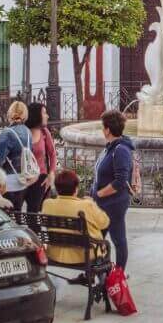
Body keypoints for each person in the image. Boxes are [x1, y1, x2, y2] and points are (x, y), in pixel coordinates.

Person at [92, 110, 134, 271]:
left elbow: (120, 181)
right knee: (96, 238)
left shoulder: (120, 150)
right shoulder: (111, 147)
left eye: (103, 127)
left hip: (114, 203)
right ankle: (96, 269)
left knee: (118, 239)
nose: (102, 130)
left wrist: (99, 194)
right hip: (102, 203)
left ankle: (119, 273)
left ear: (108, 129)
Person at [42, 169, 109, 265]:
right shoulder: (86, 205)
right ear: (76, 189)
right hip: (84, 255)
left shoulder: (47, 204)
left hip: (54, 254)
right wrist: (93, 203)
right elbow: (104, 223)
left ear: (57, 188)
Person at [0, 100, 32, 212]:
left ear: (10, 113)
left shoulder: (7, 133)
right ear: (24, 114)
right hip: (23, 180)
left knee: (5, 214)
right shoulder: (28, 132)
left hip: (8, 181)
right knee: (18, 213)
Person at [24, 102, 57, 214]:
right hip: (22, 177)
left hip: (40, 179)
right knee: (16, 212)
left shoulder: (44, 132)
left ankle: (33, 232)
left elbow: (52, 154)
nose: (47, 116)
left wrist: (51, 174)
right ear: (35, 115)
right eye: (44, 113)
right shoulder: (22, 132)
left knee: (33, 212)